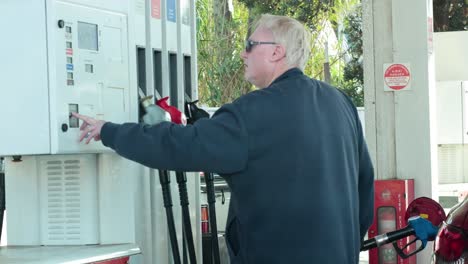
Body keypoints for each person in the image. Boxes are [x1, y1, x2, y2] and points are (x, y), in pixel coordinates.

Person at [73, 14, 374, 264]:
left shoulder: (251, 114)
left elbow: (177, 145)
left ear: (276, 52)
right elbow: (364, 190)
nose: (243, 53)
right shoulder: (340, 104)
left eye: (250, 45)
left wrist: (109, 131)